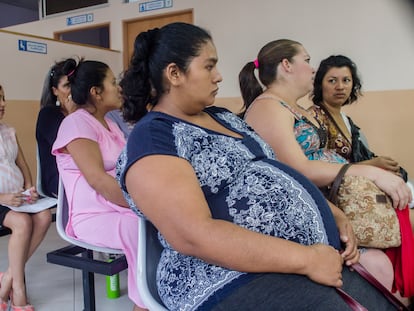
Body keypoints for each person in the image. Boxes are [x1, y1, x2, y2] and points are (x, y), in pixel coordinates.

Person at [117, 22, 399, 310]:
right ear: (175, 73)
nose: (219, 76)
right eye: (209, 67)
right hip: (225, 277)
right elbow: (193, 235)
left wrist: (332, 213)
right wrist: (307, 259)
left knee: (380, 303)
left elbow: (276, 171)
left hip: (295, 259)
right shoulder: (155, 137)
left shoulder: (223, 117)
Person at [239, 39, 413, 301]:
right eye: (307, 61)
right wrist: (370, 172)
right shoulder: (268, 107)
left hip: (328, 199)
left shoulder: (291, 107)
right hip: (306, 207)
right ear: (286, 65)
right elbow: (296, 171)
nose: (312, 69)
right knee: (383, 258)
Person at [51, 59, 145, 311]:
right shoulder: (76, 123)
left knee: (162, 223)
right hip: (92, 217)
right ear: (96, 92)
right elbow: (98, 179)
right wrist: (144, 204)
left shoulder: (111, 124)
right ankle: (145, 304)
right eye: (112, 83)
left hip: (117, 207)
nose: (119, 88)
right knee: (142, 227)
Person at [310, 54, 408, 181]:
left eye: (346, 80)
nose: (340, 87)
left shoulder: (346, 120)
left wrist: (382, 164)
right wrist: (373, 165)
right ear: (320, 84)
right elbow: (318, 170)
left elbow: (359, 157)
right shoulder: (314, 118)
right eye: (332, 80)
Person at [0, 84, 52, 311]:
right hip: (1, 200)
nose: (2, 104)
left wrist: (30, 187)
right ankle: (18, 288)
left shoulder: (9, 130)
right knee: (22, 223)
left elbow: (22, 164)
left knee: (43, 216)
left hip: (17, 198)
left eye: (3, 98)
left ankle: (7, 278)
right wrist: (2, 196)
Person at [36, 59, 75, 198]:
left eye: (74, 84)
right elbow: (70, 148)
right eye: (67, 86)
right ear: (55, 91)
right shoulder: (48, 114)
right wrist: (73, 114)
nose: (72, 90)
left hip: (80, 171)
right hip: (58, 178)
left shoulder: (83, 112)